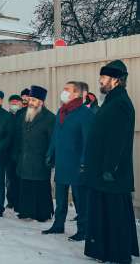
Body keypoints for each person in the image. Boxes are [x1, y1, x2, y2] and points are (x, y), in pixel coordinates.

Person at [84, 60, 139, 263]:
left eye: (103, 77)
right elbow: (105, 129)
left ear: (115, 80)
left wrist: (109, 168)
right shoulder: (112, 101)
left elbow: (118, 139)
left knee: (114, 214)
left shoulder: (121, 103)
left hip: (111, 173)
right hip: (102, 171)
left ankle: (117, 253)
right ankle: (104, 251)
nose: (100, 81)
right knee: (103, 212)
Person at [42, 81, 93, 241]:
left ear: (77, 94)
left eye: (67, 90)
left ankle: (83, 230)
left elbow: (88, 141)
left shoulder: (85, 114)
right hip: (62, 162)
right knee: (61, 197)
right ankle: (58, 225)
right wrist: (50, 153)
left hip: (77, 164)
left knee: (80, 199)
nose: (63, 92)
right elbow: (56, 135)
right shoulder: (61, 111)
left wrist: (85, 162)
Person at [16, 85, 55, 222]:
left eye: (34, 100)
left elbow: (52, 141)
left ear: (41, 102)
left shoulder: (49, 118)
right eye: (30, 99)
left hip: (40, 160)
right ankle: (26, 211)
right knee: (26, 185)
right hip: (25, 159)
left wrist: (49, 158)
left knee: (40, 187)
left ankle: (41, 213)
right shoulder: (24, 115)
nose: (30, 102)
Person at [6, 94, 23, 210]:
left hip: (21, 153)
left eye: (16, 102)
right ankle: (11, 200)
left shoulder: (24, 116)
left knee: (19, 179)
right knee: (10, 179)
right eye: (12, 103)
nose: (14, 105)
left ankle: (19, 201)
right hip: (8, 153)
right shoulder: (7, 117)